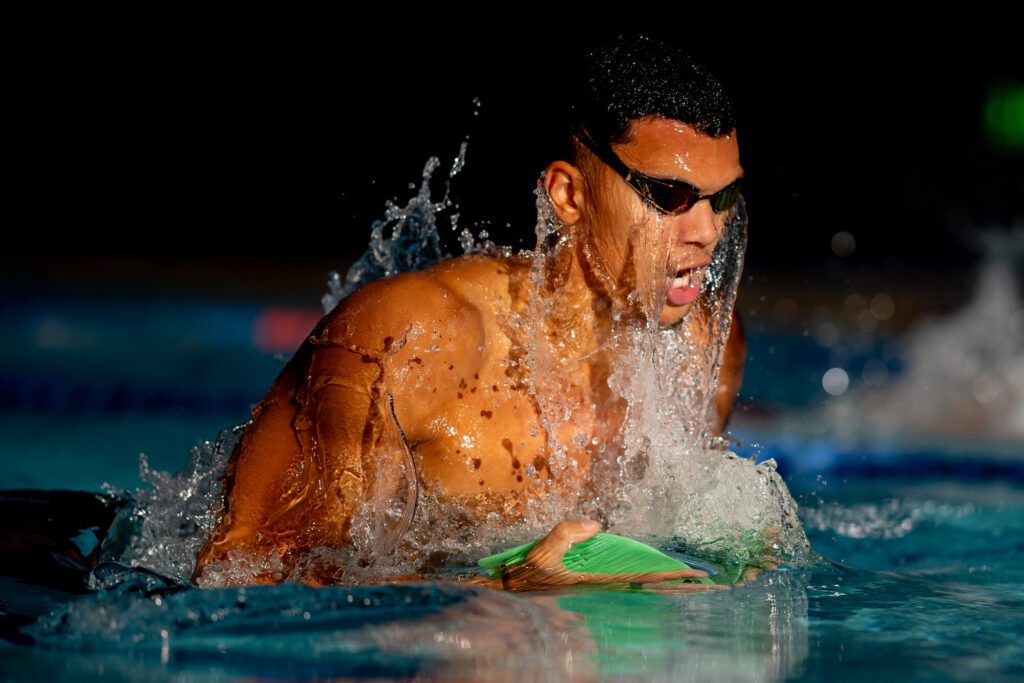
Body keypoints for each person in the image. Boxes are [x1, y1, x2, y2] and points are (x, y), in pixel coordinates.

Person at [194, 34, 748, 587]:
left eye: (721, 199)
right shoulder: (414, 342)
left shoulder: (705, 349)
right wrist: (504, 586)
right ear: (568, 195)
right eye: (669, 196)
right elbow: (237, 576)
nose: (705, 232)